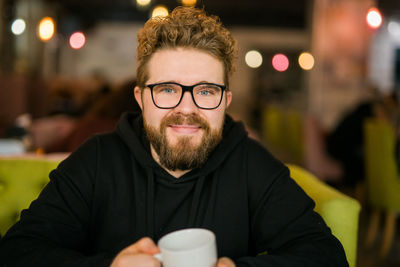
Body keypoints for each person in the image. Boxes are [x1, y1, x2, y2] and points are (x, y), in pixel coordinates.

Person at [0, 7, 348, 267]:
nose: (186, 109)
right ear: (140, 98)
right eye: (167, 89)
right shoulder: (96, 160)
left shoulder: (252, 165)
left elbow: (326, 257)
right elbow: (18, 251)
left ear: (225, 101)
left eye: (206, 91)